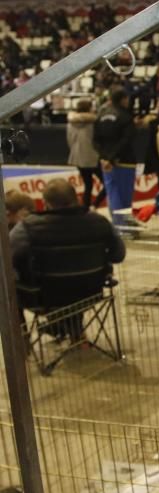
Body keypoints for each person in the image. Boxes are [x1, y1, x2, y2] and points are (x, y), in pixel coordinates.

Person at [10, 178, 126, 338]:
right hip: (90, 293)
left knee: (11, 288)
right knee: (74, 280)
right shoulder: (100, 222)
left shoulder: (27, 228)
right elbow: (119, 255)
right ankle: (72, 331)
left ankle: (23, 345)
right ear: (77, 198)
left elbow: (8, 260)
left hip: (45, 299)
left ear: (45, 203)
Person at [93, 86, 142, 227]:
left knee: (112, 192)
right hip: (124, 160)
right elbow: (126, 140)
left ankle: (118, 223)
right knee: (124, 195)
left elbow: (95, 140)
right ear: (124, 100)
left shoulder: (100, 116)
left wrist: (104, 158)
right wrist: (111, 157)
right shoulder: (126, 117)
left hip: (106, 162)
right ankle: (123, 225)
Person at [66, 98, 106, 211]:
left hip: (77, 157)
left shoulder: (70, 122)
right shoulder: (93, 123)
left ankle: (85, 209)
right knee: (107, 184)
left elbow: (69, 141)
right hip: (93, 157)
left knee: (88, 185)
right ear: (88, 108)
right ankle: (95, 205)